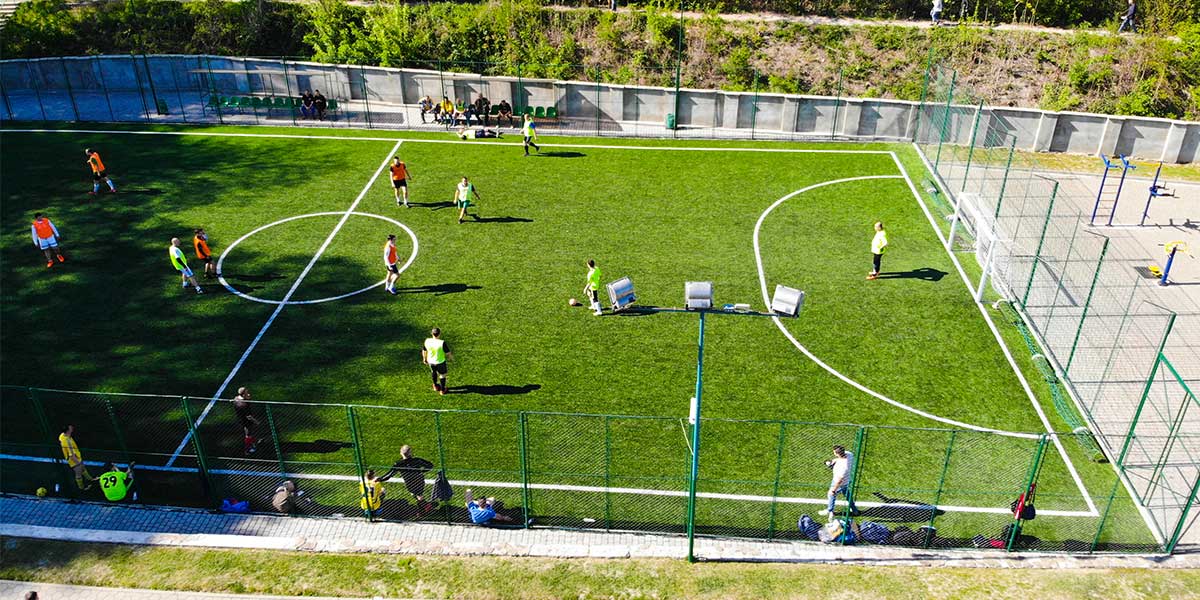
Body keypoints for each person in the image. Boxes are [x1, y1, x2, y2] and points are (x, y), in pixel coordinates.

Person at [379, 445, 435, 513]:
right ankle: (423, 509)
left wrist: (380, 479)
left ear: (401, 453)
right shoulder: (417, 460)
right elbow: (430, 466)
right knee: (418, 494)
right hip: (419, 479)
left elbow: (389, 475)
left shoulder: (398, 464)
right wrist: (422, 471)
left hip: (409, 482)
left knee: (417, 495)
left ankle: (425, 507)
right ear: (410, 453)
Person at [820, 445, 858, 517]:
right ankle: (854, 510)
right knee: (847, 495)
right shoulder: (849, 454)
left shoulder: (843, 467)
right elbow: (840, 459)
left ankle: (830, 511)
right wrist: (833, 462)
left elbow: (840, 480)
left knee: (831, 495)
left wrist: (834, 490)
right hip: (848, 480)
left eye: (834, 452)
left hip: (840, 482)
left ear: (837, 454)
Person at [59, 424, 94, 491]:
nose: (72, 427)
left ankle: (90, 479)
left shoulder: (62, 435)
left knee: (83, 468)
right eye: (70, 428)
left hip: (76, 456)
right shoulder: (68, 442)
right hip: (74, 460)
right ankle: (82, 488)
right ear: (68, 431)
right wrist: (78, 463)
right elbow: (71, 456)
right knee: (78, 473)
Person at [422, 327, 452, 395]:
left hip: (431, 361)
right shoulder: (442, 342)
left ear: (432, 333)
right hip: (440, 362)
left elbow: (424, 350)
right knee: (442, 375)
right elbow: (448, 353)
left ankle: (435, 386)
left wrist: (424, 359)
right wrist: (450, 358)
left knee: (433, 372)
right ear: (439, 334)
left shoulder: (427, 341)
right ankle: (442, 390)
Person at [233, 387, 260, 455]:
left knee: (248, 434)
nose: (248, 394)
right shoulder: (244, 404)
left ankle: (252, 443)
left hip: (240, 419)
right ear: (243, 395)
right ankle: (248, 449)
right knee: (248, 434)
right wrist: (256, 421)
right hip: (246, 421)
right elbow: (249, 416)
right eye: (246, 393)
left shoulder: (236, 399)